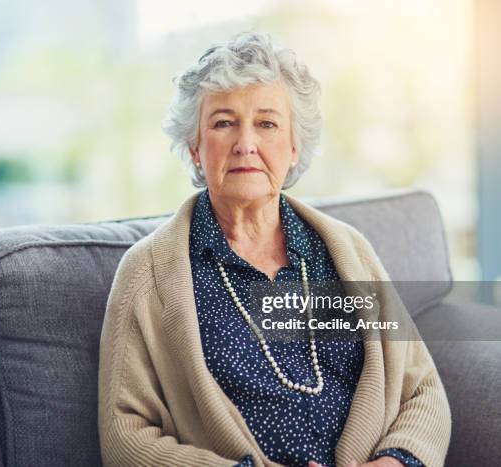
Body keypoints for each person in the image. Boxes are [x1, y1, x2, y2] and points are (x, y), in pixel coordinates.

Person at [98, 31, 451, 467]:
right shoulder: (148, 273)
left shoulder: (347, 251)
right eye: (223, 122)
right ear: (194, 146)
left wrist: (393, 462)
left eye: (266, 124)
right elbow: (126, 438)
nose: (246, 143)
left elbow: (423, 390)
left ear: (294, 146)